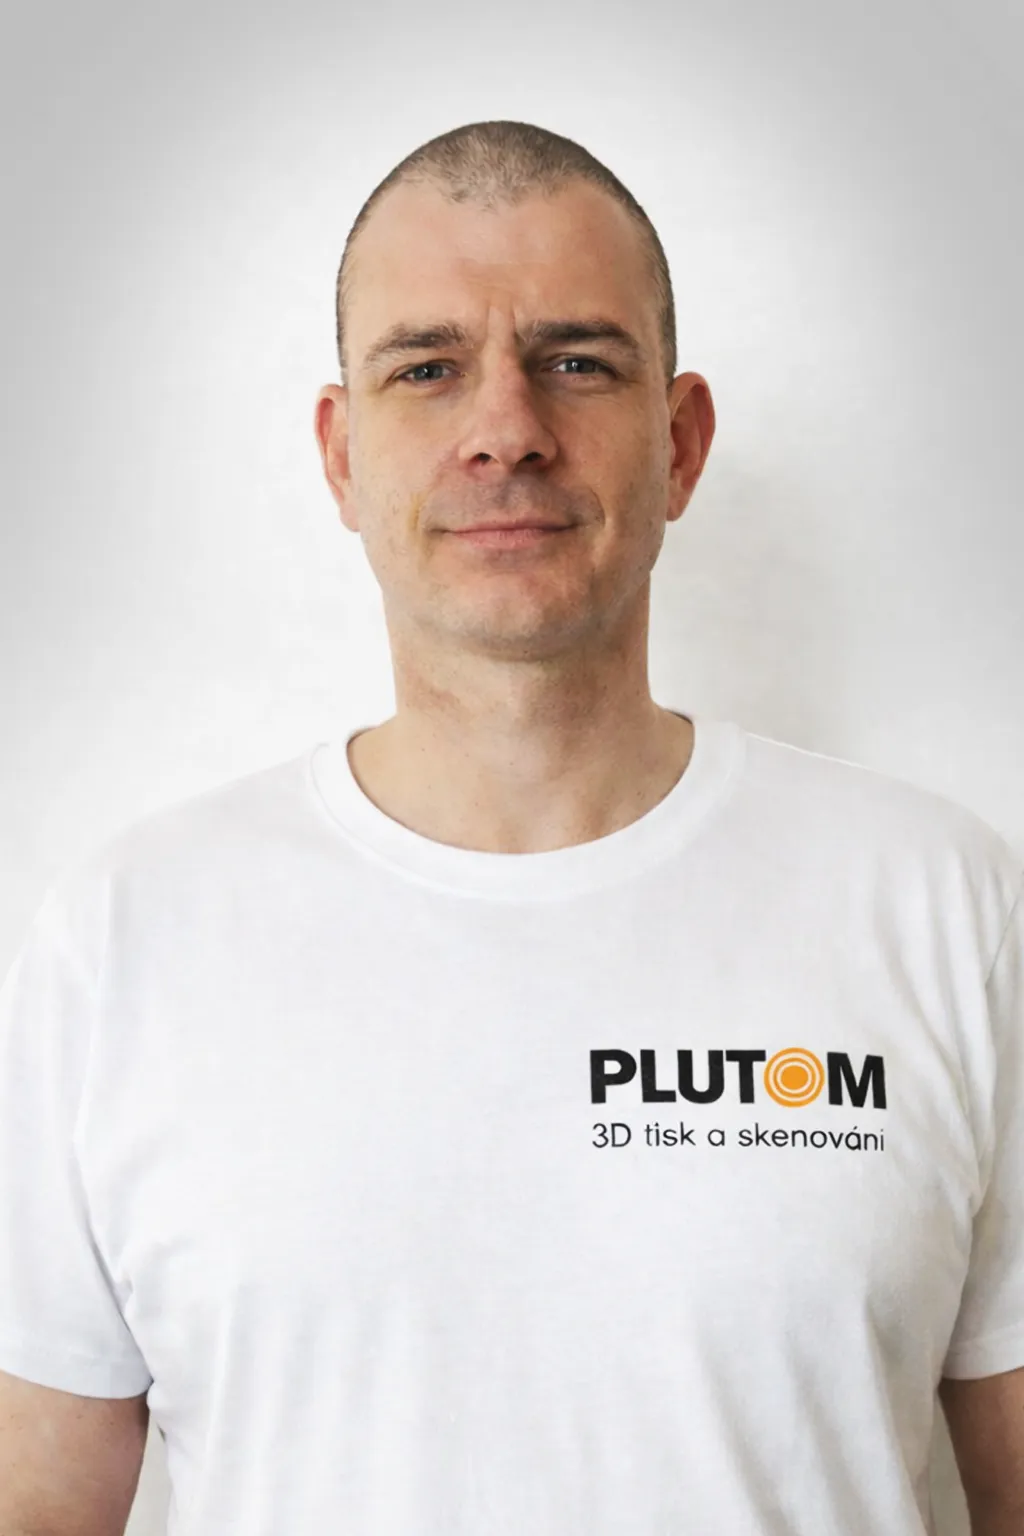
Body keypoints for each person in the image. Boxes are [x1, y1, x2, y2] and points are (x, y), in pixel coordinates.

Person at [0, 119, 1022, 1536]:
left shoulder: (943, 905)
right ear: (341, 455)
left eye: (577, 361)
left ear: (681, 444)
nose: (506, 431)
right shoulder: (125, 939)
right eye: (426, 368)